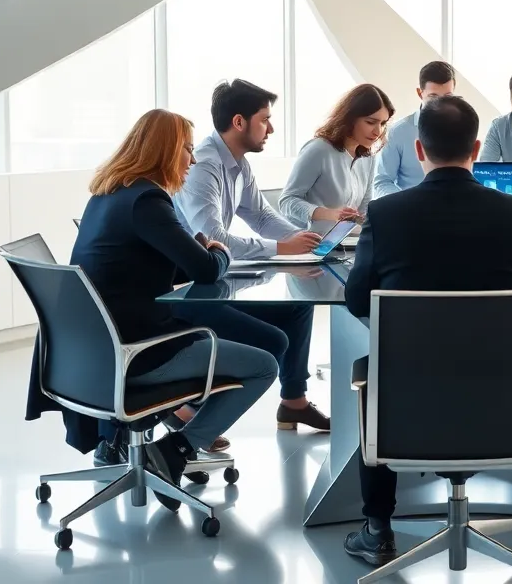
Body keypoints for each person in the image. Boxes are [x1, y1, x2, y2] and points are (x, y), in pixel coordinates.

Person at [340, 95, 512, 567]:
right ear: (477, 147)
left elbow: (358, 300)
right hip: (503, 403)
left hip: (408, 404)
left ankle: (378, 529)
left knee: (373, 376)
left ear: (419, 150)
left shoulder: (386, 214)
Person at [70, 109, 278, 510]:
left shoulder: (108, 193)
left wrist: (197, 251)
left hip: (94, 353)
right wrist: (215, 250)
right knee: (264, 363)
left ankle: (127, 439)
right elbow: (202, 269)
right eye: (186, 150)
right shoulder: (148, 199)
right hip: (140, 352)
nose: (193, 159)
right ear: (165, 151)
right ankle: (174, 451)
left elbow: (163, 261)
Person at [172, 79, 332, 435]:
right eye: (265, 119)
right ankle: (189, 412)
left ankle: (294, 402)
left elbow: (260, 215)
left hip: (212, 281)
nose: (271, 128)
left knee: (297, 306)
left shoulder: (237, 162)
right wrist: (281, 249)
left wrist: (296, 238)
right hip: (187, 291)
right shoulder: (204, 167)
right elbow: (212, 238)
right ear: (239, 122)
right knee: (274, 340)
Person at [280, 83, 394, 231]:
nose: (378, 131)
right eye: (370, 122)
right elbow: (287, 201)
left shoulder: (368, 157)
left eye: (383, 123)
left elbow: (364, 208)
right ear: (350, 118)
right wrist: (331, 214)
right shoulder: (319, 150)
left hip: (346, 244)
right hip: (311, 244)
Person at [371, 60, 457, 198]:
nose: (441, 104)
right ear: (419, 93)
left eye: (447, 97)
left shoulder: (461, 128)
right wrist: (407, 203)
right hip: (410, 213)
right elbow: (382, 182)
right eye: (433, 97)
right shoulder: (398, 132)